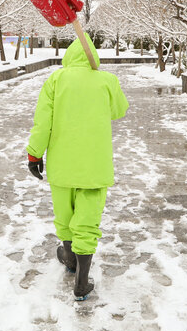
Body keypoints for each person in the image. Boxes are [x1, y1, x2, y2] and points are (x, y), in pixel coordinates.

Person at [26, 38, 129, 301]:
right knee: (87, 220)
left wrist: (34, 154)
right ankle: (82, 280)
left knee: (64, 214)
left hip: (62, 163)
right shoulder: (107, 81)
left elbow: (42, 121)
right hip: (95, 165)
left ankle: (70, 258)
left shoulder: (56, 80)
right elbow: (119, 111)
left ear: (69, 57)